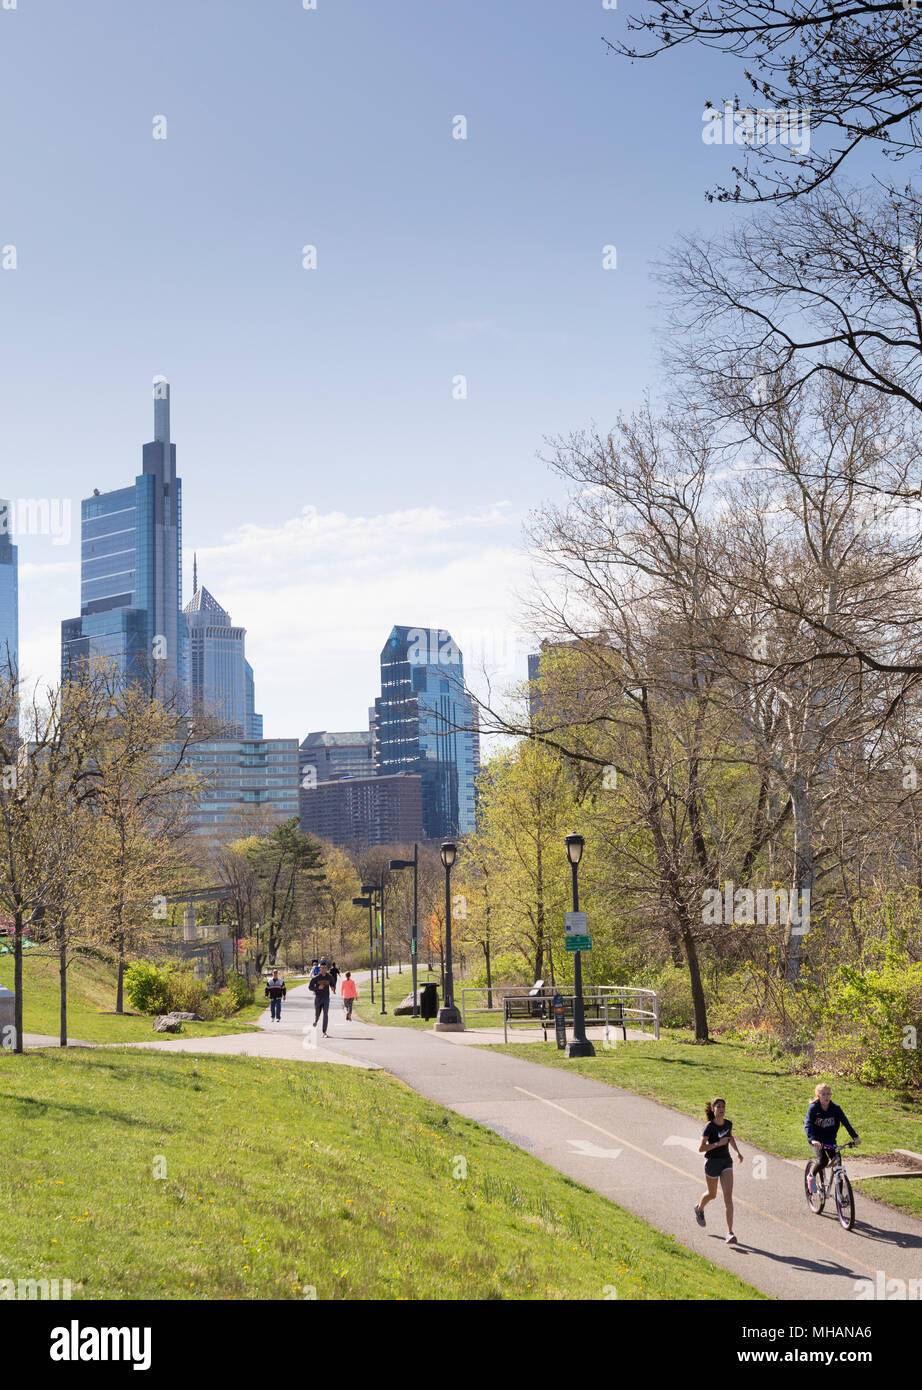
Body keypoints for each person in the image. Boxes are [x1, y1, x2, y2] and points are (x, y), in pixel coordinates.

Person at [694, 1097, 743, 1244]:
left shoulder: (728, 1124)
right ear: (713, 1109)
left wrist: (737, 1152)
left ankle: (729, 1233)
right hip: (712, 1163)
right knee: (712, 1194)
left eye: (723, 1106)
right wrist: (716, 1143)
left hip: (726, 1162)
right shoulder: (709, 1127)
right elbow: (701, 1148)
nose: (721, 1109)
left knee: (728, 1197)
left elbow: (730, 1137)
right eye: (719, 1106)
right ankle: (699, 1208)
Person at [805, 1083, 859, 1192]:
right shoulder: (814, 1108)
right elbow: (808, 1124)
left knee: (838, 1161)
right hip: (816, 1141)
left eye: (828, 1094)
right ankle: (811, 1176)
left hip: (830, 1140)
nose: (826, 1096)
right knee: (823, 1160)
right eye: (823, 1094)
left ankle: (841, 1196)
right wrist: (813, 1139)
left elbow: (846, 1123)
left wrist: (855, 1137)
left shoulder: (835, 1109)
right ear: (818, 1095)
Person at [308, 960, 333, 1037]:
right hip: (318, 998)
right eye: (322, 968)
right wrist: (318, 987)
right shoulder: (316, 978)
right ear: (320, 969)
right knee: (317, 1014)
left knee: (325, 1014)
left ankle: (324, 1032)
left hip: (326, 998)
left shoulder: (329, 977)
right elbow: (310, 987)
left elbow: (332, 983)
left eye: (325, 968)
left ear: (326, 968)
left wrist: (333, 987)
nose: (323, 969)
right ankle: (316, 1020)